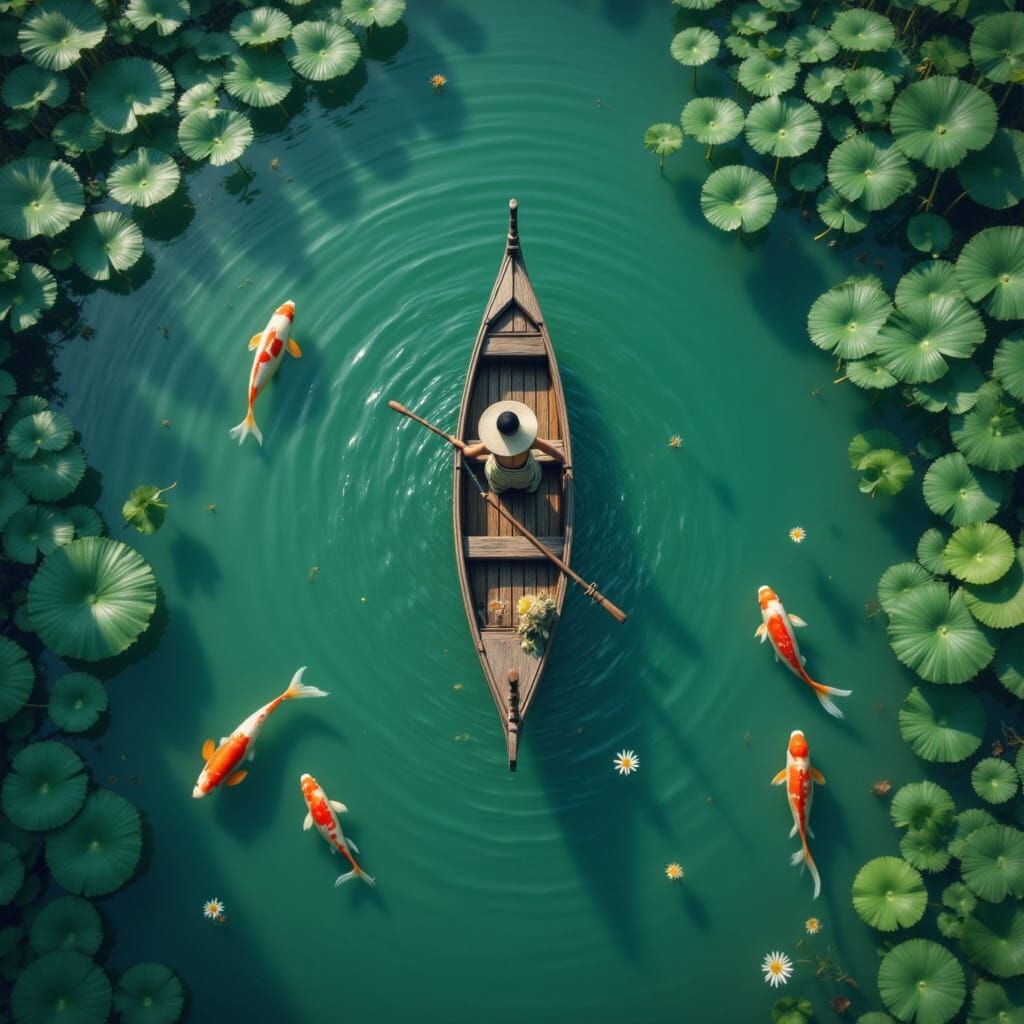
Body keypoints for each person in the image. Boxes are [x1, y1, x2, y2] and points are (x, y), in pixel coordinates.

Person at [461, 400, 567, 494]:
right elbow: (553, 452)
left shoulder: (489, 446)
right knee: (534, 470)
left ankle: (498, 490)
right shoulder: (530, 442)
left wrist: (457, 442)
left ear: (498, 431)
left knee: (491, 465)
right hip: (525, 479)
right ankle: (531, 489)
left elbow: (467, 453)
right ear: (519, 427)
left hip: (500, 479)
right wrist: (563, 460)